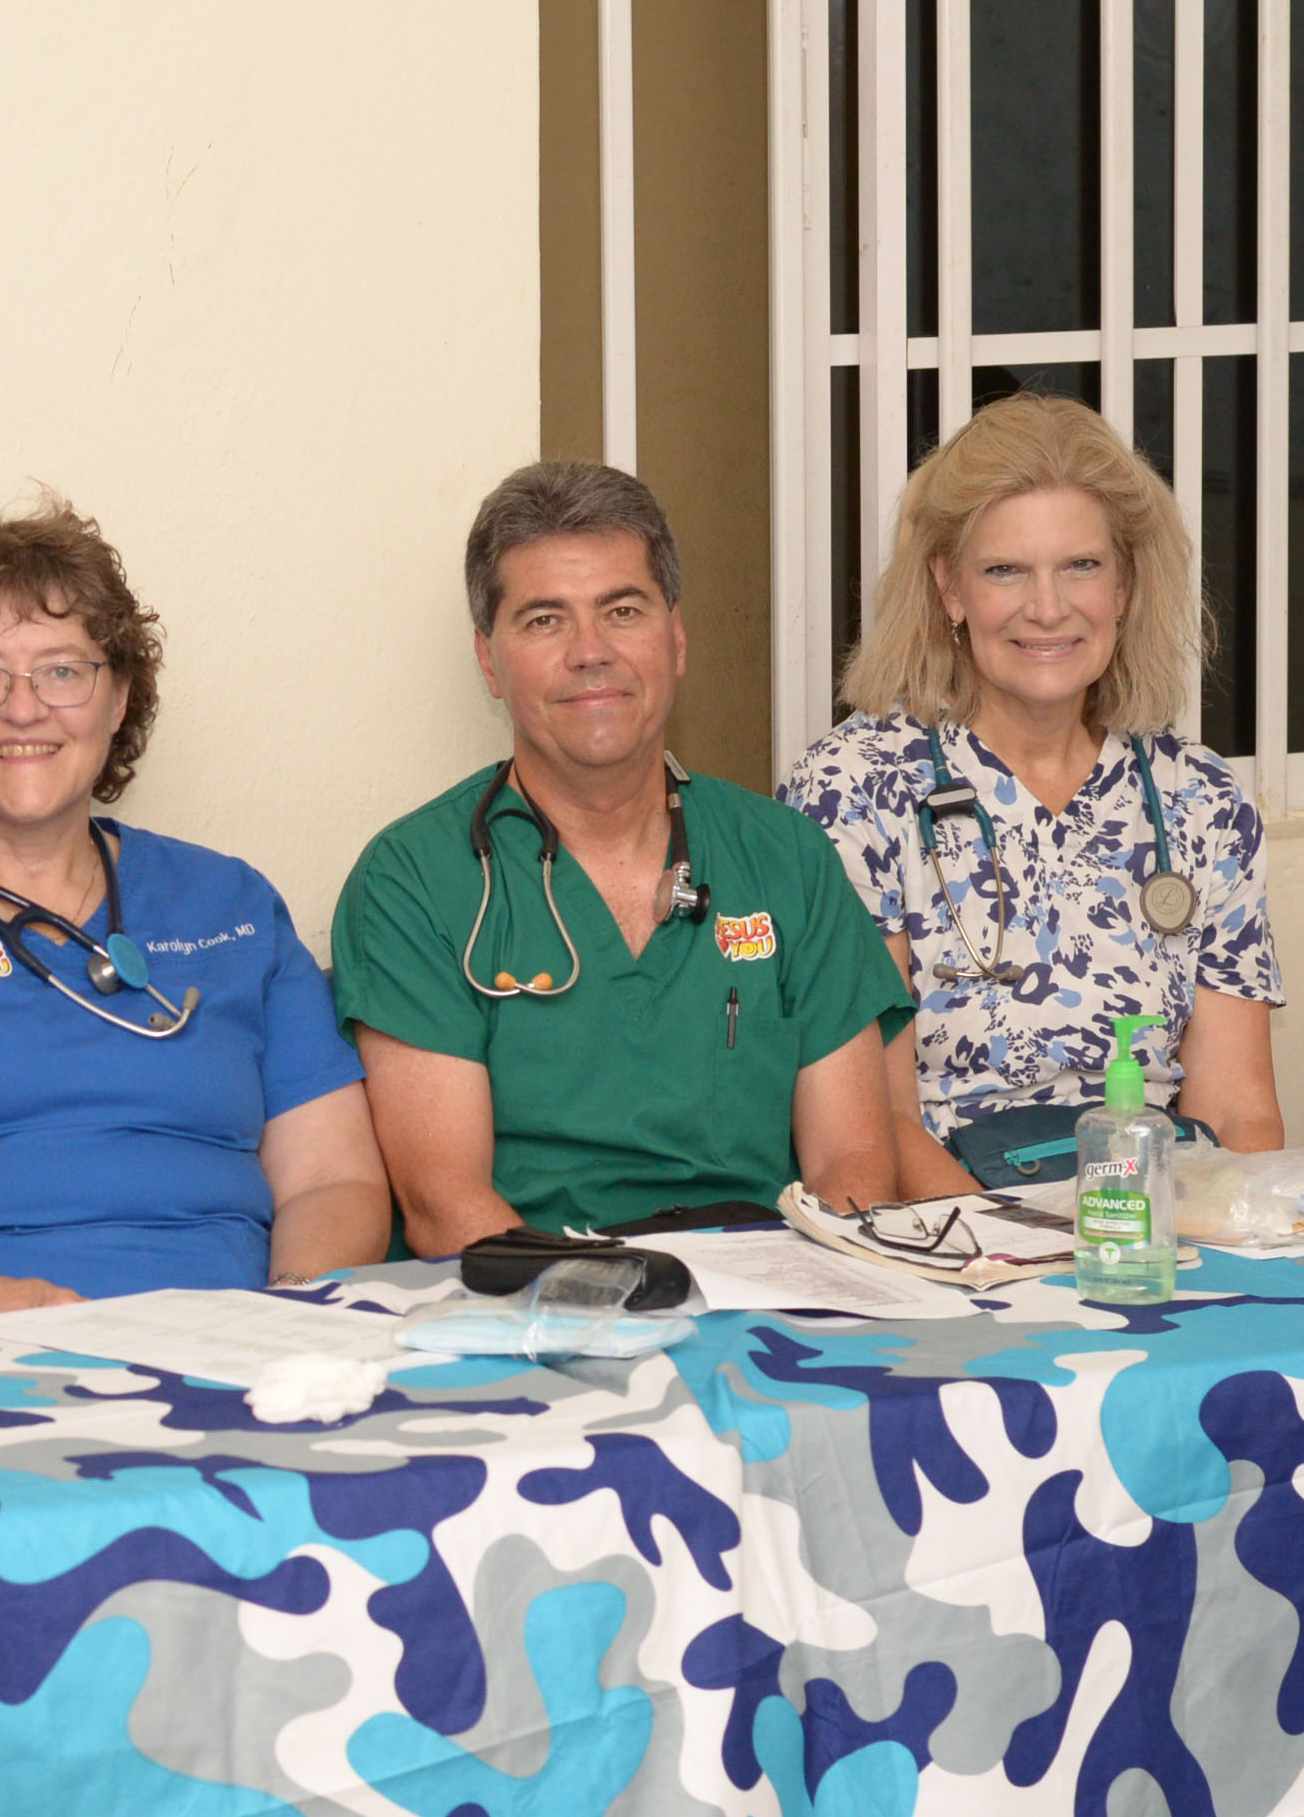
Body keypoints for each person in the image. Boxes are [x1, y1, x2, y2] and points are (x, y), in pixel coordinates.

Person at [0, 503, 390, 1316]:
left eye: (64, 671)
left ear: (120, 697)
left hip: (231, 1352)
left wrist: (286, 1319)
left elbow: (332, 1177)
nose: (23, 709)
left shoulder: (231, 903)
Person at [335, 460, 918, 1250]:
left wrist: (808, 1308)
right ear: (488, 659)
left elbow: (853, 1163)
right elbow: (444, 1202)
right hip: (530, 1303)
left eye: (623, 610)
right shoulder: (415, 880)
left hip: (764, 1301)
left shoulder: (786, 858)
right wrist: (596, 1304)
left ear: (675, 638)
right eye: (544, 620)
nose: (590, 651)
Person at [779, 392, 1283, 1191]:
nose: (1047, 609)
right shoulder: (855, 790)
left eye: (1081, 566)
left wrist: (1223, 1252)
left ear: (1124, 586)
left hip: (1164, 1226)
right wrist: (1019, 1262)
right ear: (949, 589)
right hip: (956, 1225)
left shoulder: (1203, 801)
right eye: (1004, 570)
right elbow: (877, 1121)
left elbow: (1240, 1112)